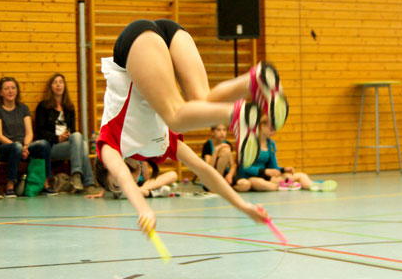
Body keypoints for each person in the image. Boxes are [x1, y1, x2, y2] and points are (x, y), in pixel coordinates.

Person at [94, 19, 287, 233]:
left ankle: (234, 115)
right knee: (202, 100)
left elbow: (121, 175)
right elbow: (205, 171)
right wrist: (243, 206)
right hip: (169, 34)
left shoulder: (109, 144)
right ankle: (252, 81)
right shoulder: (160, 146)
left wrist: (143, 209)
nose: (132, 180)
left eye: (118, 187)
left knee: (175, 117)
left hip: (134, 44)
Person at [0, 77, 57, 197]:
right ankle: (10, 185)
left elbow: (29, 133)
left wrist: (25, 146)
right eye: (6, 89)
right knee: (15, 147)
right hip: (4, 147)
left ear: (17, 91)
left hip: (23, 146)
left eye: (13, 88)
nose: (10, 91)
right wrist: (19, 147)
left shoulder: (23, 108)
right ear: (0, 92)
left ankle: (45, 183)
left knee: (44, 144)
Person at [35, 73, 98, 194]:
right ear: (51, 87)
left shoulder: (69, 107)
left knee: (80, 140)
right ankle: (86, 181)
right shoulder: (43, 106)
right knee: (82, 143)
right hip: (52, 146)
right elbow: (40, 131)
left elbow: (73, 130)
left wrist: (67, 135)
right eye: (55, 82)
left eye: (61, 82)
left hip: (68, 144)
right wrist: (57, 138)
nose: (58, 85)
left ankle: (79, 177)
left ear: (64, 86)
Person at [238, 116, 337, 192]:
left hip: (268, 177)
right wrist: (264, 171)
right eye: (271, 128)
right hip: (251, 177)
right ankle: (286, 185)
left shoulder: (271, 144)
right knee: (259, 183)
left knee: (301, 175)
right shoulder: (249, 143)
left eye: (275, 129)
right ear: (262, 126)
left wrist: (284, 169)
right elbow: (244, 167)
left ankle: (314, 186)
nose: (274, 131)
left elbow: (274, 167)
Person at [85, 160, 177, 199]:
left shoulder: (139, 163)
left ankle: (148, 192)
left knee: (173, 175)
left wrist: (143, 162)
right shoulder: (123, 166)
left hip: (140, 187)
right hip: (123, 190)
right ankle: (151, 192)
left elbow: (147, 179)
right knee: (137, 191)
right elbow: (109, 176)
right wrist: (102, 192)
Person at [201, 124, 251, 192]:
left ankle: (223, 190)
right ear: (212, 132)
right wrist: (216, 150)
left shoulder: (227, 144)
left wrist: (230, 175)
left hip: (224, 175)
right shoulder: (208, 145)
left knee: (246, 184)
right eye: (219, 130)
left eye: (224, 130)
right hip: (212, 176)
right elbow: (209, 167)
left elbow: (233, 165)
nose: (222, 133)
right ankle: (218, 184)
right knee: (226, 151)